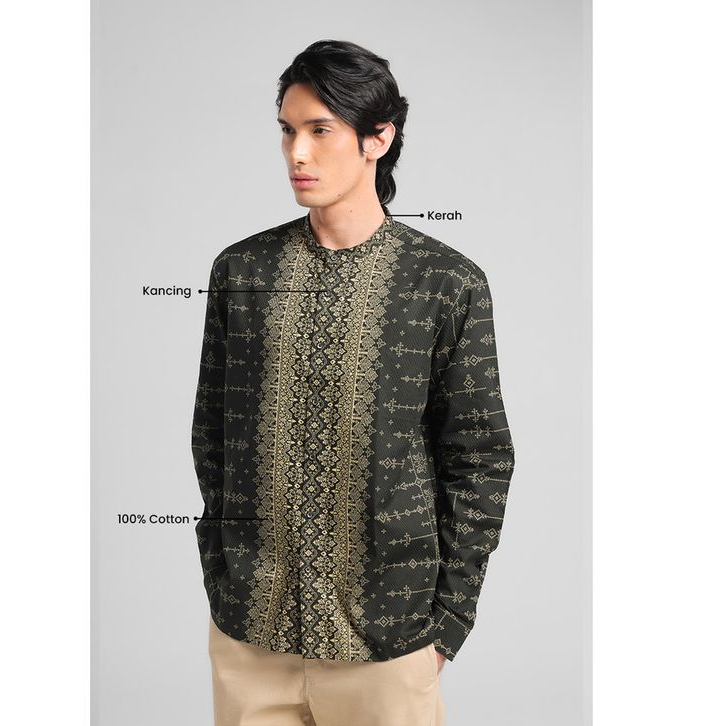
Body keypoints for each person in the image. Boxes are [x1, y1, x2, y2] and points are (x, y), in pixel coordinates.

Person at [191, 38, 516, 726]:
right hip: (252, 635)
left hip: (388, 639)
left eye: (320, 130)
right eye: (287, 131)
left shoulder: (445, 283)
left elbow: (479, 459)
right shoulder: (241, 272)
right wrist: (225, 572)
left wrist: (448, 623)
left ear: (378, 138)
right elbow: (212, 437)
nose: (296, 153)